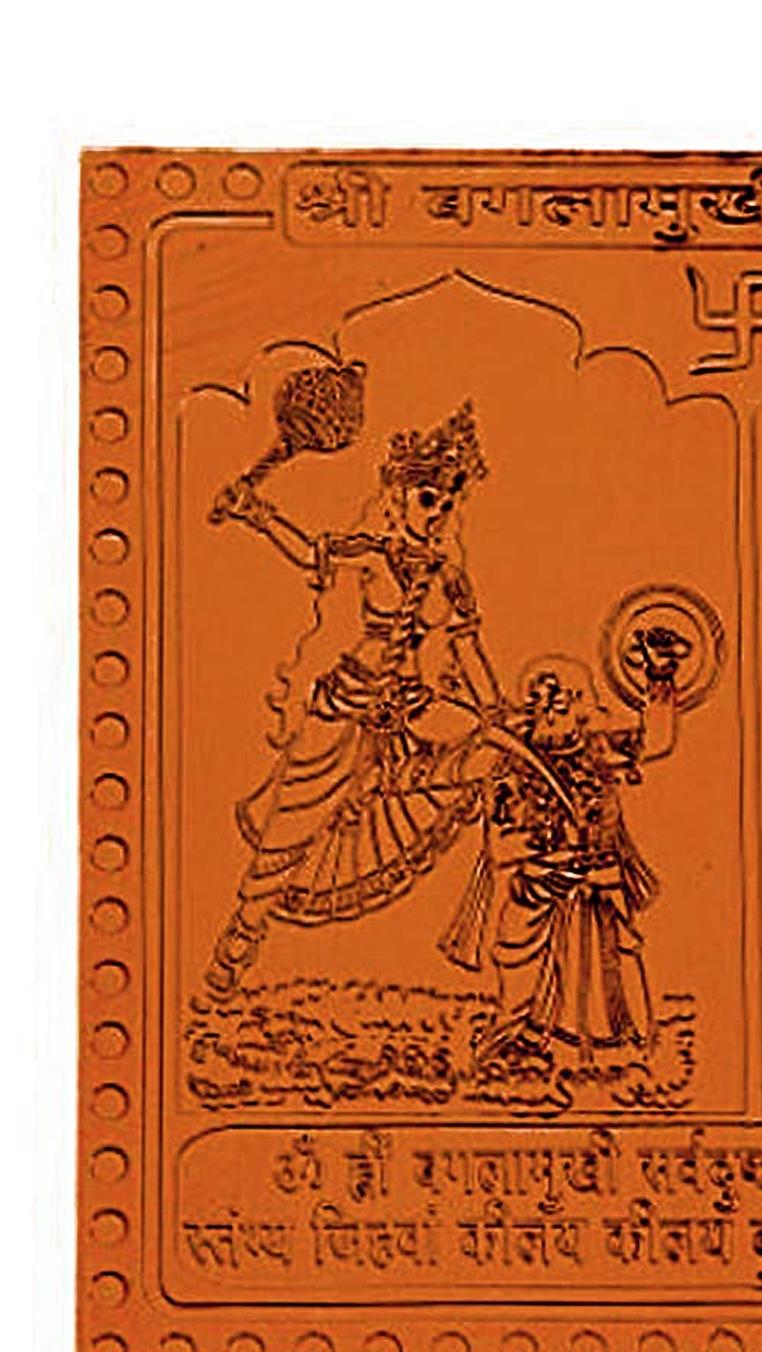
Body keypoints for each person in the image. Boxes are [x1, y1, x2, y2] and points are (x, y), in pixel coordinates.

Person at [204, 401, 502, 995]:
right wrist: (255, 512)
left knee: (492, 752)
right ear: (399, 495)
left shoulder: (448, 577)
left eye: (447, 503)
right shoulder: (371, 554)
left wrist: (498, 715)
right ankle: (242, 934)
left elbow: (468, 651)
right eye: (427, 499)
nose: (437, 513)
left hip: (412, 708)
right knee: (291, 827)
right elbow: (308, 552)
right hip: (346, 705)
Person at [442, 627, 688, 1068]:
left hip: (599, 881)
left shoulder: (600, 749)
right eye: (546, 703)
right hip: (538, 887)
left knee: (615, 959)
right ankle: (521, 1035)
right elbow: (499, 847)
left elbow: (657, 740)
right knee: (517, 955)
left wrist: (660, 678)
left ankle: (623, 1047)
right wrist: (544, 862)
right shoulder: (511, 767)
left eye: (565, 702)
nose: (556, 712)